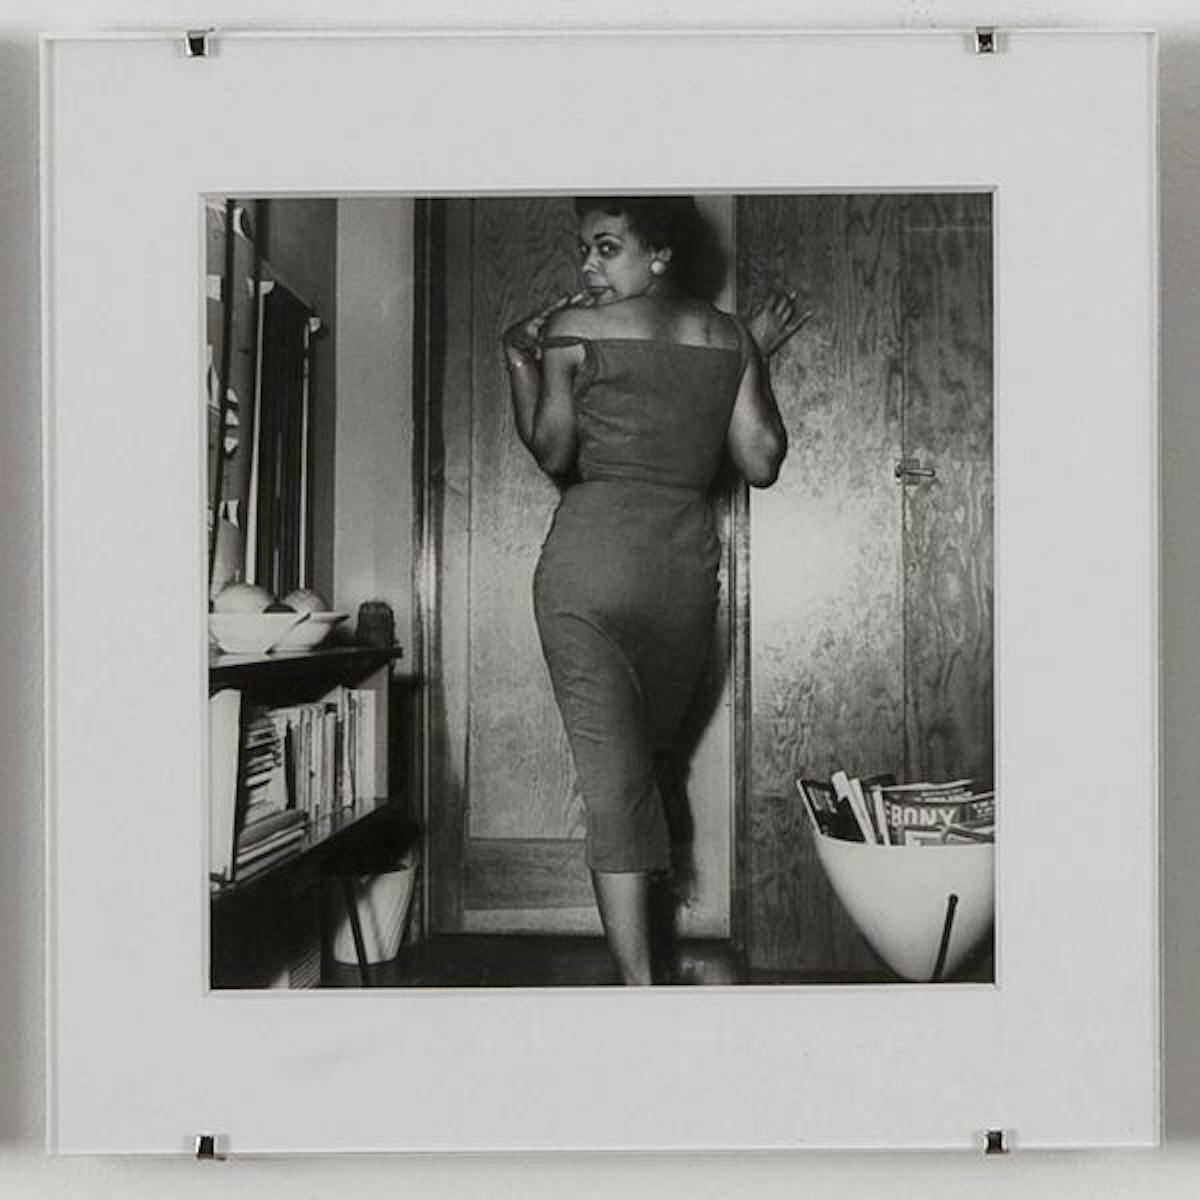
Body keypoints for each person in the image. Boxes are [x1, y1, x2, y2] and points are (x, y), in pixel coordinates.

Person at [501, 196, 807, 985]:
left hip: (588, 568)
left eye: (606, 248)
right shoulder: (728, 336)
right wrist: (747, 355)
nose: (587, 266)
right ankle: (647, 977)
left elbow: (552, 450)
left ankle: (642, 987)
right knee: (646, 763)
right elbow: (762, 459)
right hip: (682, 576)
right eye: (584, 249)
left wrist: (518, 360)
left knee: (617, 780)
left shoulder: (573, 328)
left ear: (659, 254)